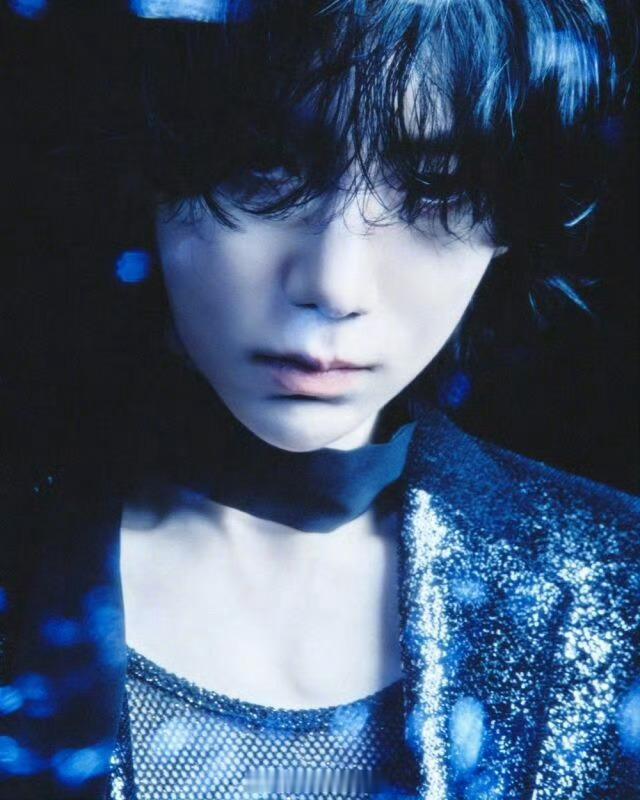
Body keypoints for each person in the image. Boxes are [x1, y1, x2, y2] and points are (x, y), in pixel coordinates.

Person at [0, 1, 638, 798]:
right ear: (150, 171)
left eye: (437, 186)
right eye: (265, 164)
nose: (335, 285)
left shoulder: (619, 586)